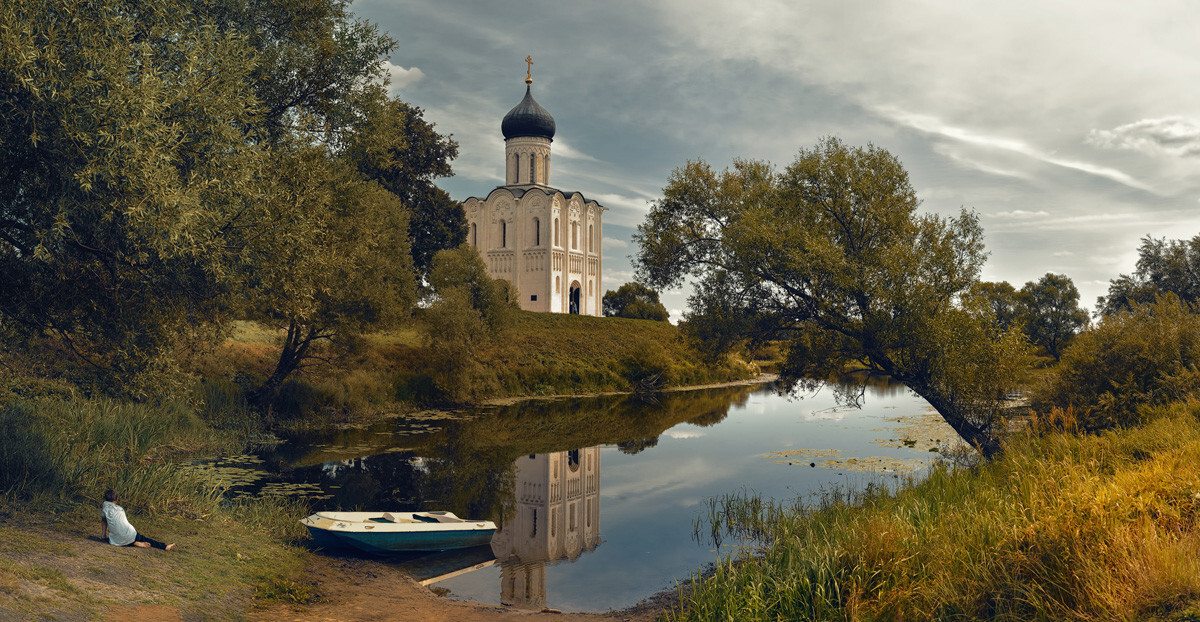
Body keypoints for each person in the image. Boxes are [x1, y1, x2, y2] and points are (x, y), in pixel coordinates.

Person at [100, 489, 175, 551]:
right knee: (143, 538)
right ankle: (164, 546)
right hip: (130, 534)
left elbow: (104, 521)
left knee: (121, 534)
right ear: (117, 498)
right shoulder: (120, 509)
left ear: (105, 498)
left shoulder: (105, 508)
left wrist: (103, 535)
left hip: (115, 540)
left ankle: (134, 542)